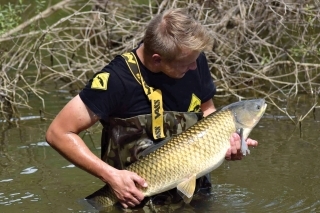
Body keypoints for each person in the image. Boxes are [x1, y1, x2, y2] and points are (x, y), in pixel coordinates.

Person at [45, 8, 258, 209]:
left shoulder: (193, 58)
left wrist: (227, 141)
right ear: (157, 59)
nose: (195, 67)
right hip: (134, 201)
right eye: (187, 64)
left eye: (196, 60)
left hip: (194, 195)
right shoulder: (115, 80)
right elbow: (58, 133)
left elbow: (208, 110)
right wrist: (111, 176)